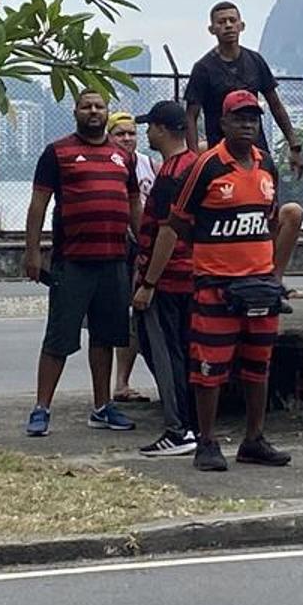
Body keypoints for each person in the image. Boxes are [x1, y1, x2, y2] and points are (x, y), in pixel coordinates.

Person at [136, 90, 290, 472]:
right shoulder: (206, 166)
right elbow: (178, 222)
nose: (248, 124)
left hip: (259, 285)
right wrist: (212, 256)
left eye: (253, 118)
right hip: (215, 285)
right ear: (222, 123)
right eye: (239, 118)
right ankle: (206, 440)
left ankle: (254, 439)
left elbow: (270, 219)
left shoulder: (267, 165)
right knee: (209, 367)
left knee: (258, 365)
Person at [21, 89, 143, 437]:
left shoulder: (123, 157)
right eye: (86, 106)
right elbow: (38, 206)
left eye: (99, 106)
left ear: (107, 112)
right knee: (58, 338)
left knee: (106, 337)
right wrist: (32, 252)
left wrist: (145, 247)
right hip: (72, 262)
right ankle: (42, 408)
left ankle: (103, 407)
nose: (93, 111)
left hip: (114, 262)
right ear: (75, 111)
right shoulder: (57, 152)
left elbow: (134, 207)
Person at [182, 1, 303, 290]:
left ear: (241, 25)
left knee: (269, 215)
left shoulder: (255, 62)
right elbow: (191, 115)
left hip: (258, 155)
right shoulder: (204, 69)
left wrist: (294, 145)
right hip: (221, 159)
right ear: (212, 29)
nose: (227, 26)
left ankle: (272, 278)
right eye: (221, 21)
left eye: (232, 20)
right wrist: (190, 156)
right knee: (225, 218)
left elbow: (274, 104)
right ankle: (227, 275)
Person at [129, 102, 198, 457]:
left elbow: (167, 232)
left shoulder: (173, 173)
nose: (146, 133)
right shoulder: (194, 166)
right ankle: (191, 423)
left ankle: (178, 427)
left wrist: (148, 282)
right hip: (191, 273)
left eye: (150, 127)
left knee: (165, 351)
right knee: (182, 350)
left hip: (170, 277)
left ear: (161, 129)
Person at [108, 111, 158, 404]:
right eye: (120, 133)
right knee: (122, 318)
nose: (127, 138)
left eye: (131, 133)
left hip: (143, 245)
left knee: (141, 314)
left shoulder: (150, 165)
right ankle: (120, 383)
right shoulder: (105, 162)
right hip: (117, 246)